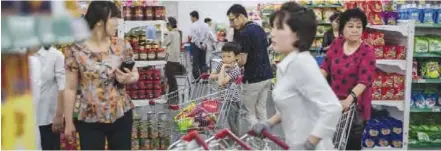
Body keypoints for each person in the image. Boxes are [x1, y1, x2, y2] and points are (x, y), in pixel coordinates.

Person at [251, 2, 343, 150]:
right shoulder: (286, 65)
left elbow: (332, 107)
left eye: (279, 27)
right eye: (272, 27)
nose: (272, 33)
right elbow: (293, 105)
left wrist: (310, 143)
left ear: (298, 34)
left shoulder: (302, 64)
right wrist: (269, 123)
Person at [63, 1, 139, 150]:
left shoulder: (121, 45)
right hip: (90, 117)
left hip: (121, 114)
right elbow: (70, 88)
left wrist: (130, 78)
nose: (117, 23)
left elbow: (135, 73)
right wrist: (69, 122)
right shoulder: (75, 50)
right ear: (99, 22)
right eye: (114, 18)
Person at [320, 8, 376, 150]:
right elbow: (325, 67)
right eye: (350, 26)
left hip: (355, 107)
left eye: (359, 26)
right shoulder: (337, 44)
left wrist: (348, 100)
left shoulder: (367, 51)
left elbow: (365, 81)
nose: (355, 30)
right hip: (334, 103)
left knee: (352, 143)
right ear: (343, 28)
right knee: (332, 141)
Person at [227, 4, 273, 127]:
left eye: (232, 19)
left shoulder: (245, 33)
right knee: (261, 110)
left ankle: (253, 143)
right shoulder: (258, 28)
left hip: (253, 78)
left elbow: (243, 61)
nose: (231, 23)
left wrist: (228, 65)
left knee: (248, 113)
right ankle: (264, 144)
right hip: (267, 75)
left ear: (241, 16)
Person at [34, 45, 66, 150]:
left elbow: (63, 87)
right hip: (26, 118)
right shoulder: (18, 55)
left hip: (47, 119)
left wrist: (59, 115)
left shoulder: (55, 55)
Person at [208, 42, 242, 135]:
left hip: (233, 100)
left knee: (232, 123)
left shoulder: (236, 69)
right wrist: (222, 72)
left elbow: (221, 82)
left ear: (236, 57)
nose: (225, 59)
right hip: (223, 98)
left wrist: (222, 68)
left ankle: (237, 141)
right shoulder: (222, 63)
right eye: (223, 56)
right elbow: (211, 76)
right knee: (225, 121)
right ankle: (232, 138)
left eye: (229, 56)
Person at [163, 16, 186, 104]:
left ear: (169, 25)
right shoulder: (178, 33)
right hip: (176, 60)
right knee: (173, 80)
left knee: (170, 80)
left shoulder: (171, 34)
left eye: (166, 25)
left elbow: (164, 43)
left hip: (171, 60)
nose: (166, 27)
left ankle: (171, 99)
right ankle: (174, 97)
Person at [188, 11, 215, 80]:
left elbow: (194, 37)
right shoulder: (205, 25)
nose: (191, 19)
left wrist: (199, 45)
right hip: (204, 45)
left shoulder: (192, 26)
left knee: (195, 63)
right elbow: (207, 35)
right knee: (203, 62)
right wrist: (203, 44)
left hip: (195, 45)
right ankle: (205, 78)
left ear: (194, 17)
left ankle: (197, 79)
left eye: (191, 17)